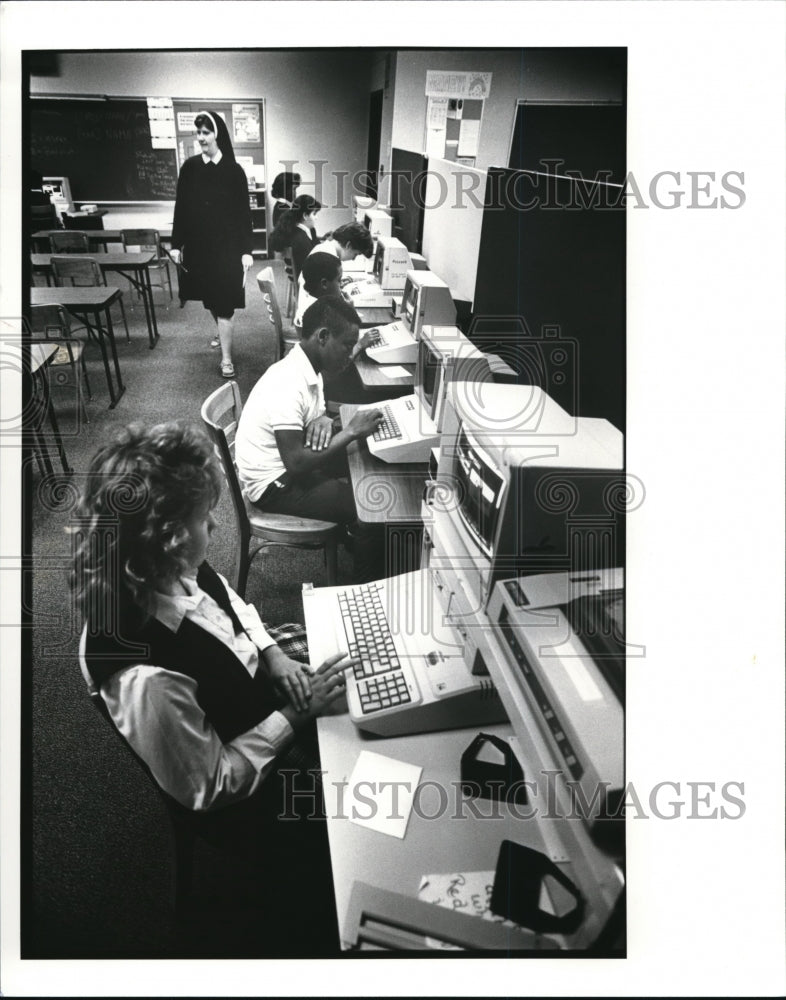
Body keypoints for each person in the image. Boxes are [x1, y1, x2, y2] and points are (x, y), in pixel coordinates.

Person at [74, 420, 356, 815]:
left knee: (354, 662)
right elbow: (211, 785)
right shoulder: (145, 676)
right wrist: (297, 715)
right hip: (250, 780)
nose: (216, 524)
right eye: (205, 517)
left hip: (252, 678)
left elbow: (227, 599)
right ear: (171, 535)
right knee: (365, 774)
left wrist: (273, 655)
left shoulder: (158, 562)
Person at [235, 295, 387, 583]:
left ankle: (356, 536)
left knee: (364, 458)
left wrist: (325, 418)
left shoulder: (305, 364)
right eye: (347, 345)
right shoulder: (287, 383)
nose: (349, 352)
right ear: (323, 337)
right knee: (372, 506)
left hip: (286, 464)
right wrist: (351, 430)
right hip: (275, 485)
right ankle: (367, 586)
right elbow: (297, 463)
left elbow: (318, 394)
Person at [170, 110, 253, 379]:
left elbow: (244, 214)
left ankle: (226, 359)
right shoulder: (190, 168)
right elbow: (180, 208)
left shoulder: (233, 170)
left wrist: (246, 251)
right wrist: (175, 244)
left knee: (225, 303)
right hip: (199, 248)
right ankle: (220, 331)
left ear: (217, 134)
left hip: (227, 250)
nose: (201, 138)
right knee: (210, 300)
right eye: (198, 133)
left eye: (206, 132)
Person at [300, 252, 386, 405]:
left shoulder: (317, 301)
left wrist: (347, 310)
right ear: (325, 284)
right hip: (329, 388)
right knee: (380, 394)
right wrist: (359, 345)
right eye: (339, 281)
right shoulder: (318, 313)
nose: (342, 285)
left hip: (326, 380)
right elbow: (328, 373)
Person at [293, 220, 374, 328]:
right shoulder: (328, 258)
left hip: (307, 315)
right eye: (356, 254)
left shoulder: (324, 248)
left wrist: (337, 283)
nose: (354, 259)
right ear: (348, 245)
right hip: (315, 325)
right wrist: (350, 309)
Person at [267, 193, 321, 282]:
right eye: (314, 214)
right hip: (305, 282)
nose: (316, 218)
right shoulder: (301, 240)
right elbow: (312, 267)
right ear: (305, 216)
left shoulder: (296, 231)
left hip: (301, 277)